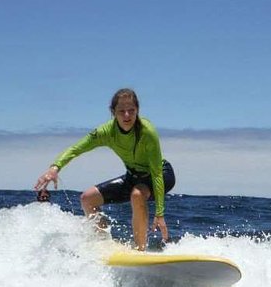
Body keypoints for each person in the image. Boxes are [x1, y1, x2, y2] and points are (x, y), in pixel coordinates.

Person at [34, 88, 175, 250]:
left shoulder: (147, 132)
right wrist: (55, 168)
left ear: (137, 110)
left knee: (137, 194)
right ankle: (104, 244)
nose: (127, 115)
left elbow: (156, 173)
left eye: (131, 110)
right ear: (113, 112)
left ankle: (140, 250)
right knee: (87, 199)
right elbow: (76, 148)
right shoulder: (106, 132)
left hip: (161, 174)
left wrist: (160, 213)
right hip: (133, 176)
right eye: (121, 111)